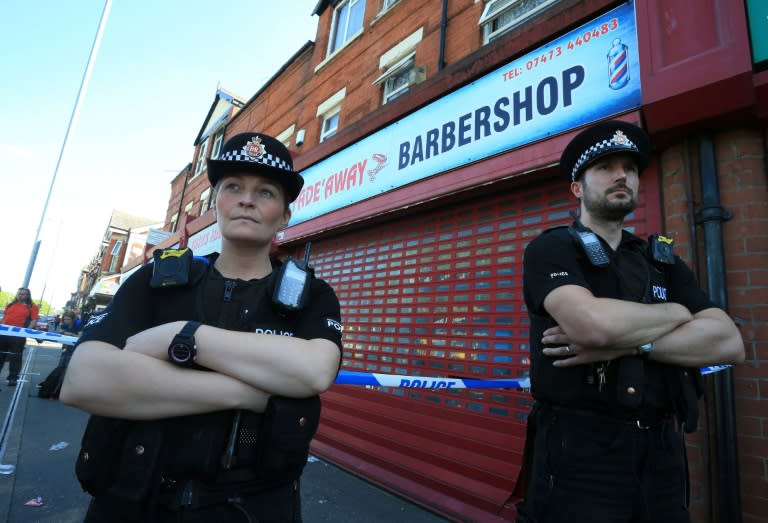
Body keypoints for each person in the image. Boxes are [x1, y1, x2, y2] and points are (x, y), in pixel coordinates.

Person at [60, 132, 343, 522]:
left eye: (265, 192)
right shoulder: (154, 281)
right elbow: (83, 380)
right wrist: (254, 393)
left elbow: (314, 369)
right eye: (233, 187)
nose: (246, 199)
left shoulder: (314, 296)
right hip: (132, 505)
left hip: (249, 510)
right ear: (217, 203)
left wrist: (182, 336)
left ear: (285, 215)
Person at [515, 120, 745, 523]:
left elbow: (728, 342)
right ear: (577, 188)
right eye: (605, 167)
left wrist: (635, 343)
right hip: (580, 454)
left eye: (631, 168)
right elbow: (592, 326)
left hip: (662, 452)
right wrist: (676, 314)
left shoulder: (661, 260)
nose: (622, 175)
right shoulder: (552, 249)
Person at [0, 287, 39, 386]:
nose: (20, 295)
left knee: (15, 357)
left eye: (23, 294)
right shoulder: (10, 304)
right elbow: (4, 318)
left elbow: (34, 320)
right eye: (19, 293)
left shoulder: (32, 306)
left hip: (18, 336)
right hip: (4, 334)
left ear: (27, 295)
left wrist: (26, 332)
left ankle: (13, 378)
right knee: (0, 356)